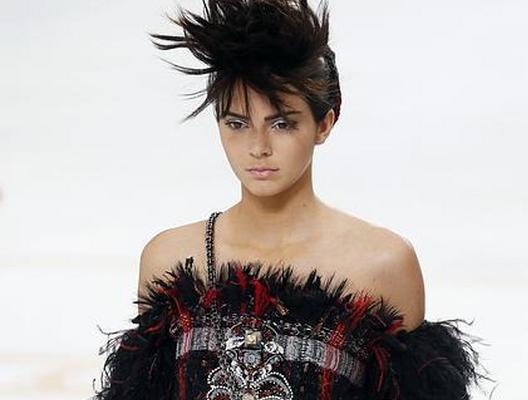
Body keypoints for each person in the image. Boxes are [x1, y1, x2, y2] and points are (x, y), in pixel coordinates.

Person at [92, 1, 494, 399]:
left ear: (324, 124)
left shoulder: (382, 265)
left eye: (282, 123)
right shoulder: (173, 261)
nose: (258, 147)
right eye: (237, 123)